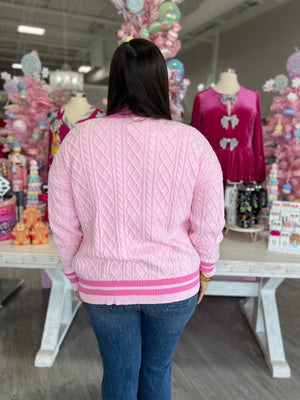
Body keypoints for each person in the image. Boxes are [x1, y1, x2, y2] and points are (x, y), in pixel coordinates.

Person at [48, 38, 225, 400]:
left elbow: (64, 224)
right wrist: (206, 269)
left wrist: (73, 273)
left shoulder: (77, 140)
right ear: (161, 82)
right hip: (175, 283)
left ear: (114, 81)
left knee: (118, 372)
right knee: (157, 369)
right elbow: (209, 221)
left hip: (104, 281)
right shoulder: (192, 142)